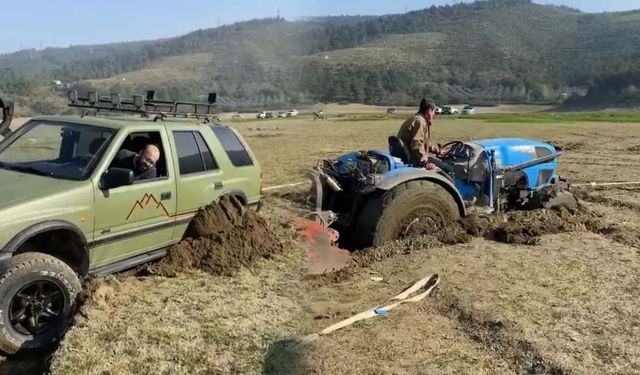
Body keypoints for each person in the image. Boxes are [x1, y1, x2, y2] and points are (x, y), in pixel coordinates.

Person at [397, 98, 442, 170]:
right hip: (416, 160)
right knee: (448, 169)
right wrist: (425, 162)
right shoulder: (420, 122)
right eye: (433, 111)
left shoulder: (414, 118)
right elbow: (417, 143)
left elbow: (423, 142)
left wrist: (438, 150)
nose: (434, 114)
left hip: (411, 156)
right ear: (429, 111)